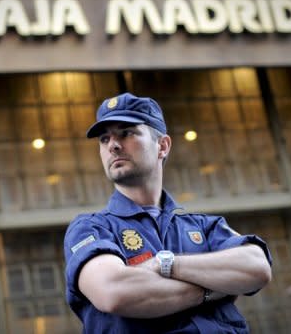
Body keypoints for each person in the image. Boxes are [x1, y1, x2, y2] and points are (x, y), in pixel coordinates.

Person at [64, 92, 272, 333]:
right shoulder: (91, 228)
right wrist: (212, 289)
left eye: (126, 133)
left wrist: (166, 265)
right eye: (104, 138)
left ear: (162, 146)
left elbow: (257, 267)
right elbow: (114, 292)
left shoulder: (204, 226)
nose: (113, 145)